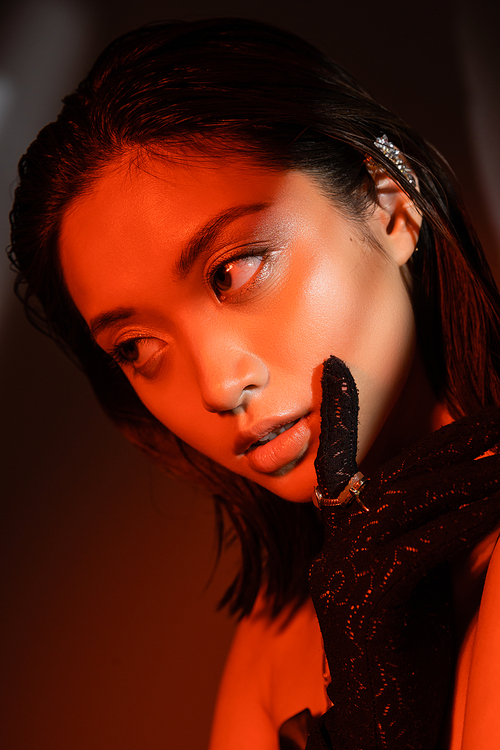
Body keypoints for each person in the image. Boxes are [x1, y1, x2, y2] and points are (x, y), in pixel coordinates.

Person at [8, 17, 500, 750]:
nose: (218, 384)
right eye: (137, 347)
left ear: (391, 203)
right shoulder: (276, 642)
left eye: (233, 271)